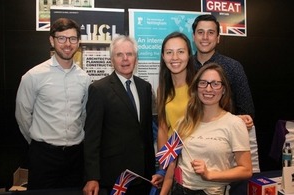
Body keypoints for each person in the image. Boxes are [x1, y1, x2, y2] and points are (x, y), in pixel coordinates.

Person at [15, 18, 91, 190]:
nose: (67, 44)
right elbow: (23, 115)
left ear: (78, 42)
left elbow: (84, 114)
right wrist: (38, 142)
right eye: (61, 38)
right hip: (44, 157)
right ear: (52, 40)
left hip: (75, 156)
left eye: (72, 39)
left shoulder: (84, 79)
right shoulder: (33, 76)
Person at [160, 62, 252, 195]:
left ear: (224, 89)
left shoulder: (235, 124)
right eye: (203, 83)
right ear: (196, 88)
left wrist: (210, 175)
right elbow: (172, 164)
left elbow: (246, 170)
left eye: (215, 84)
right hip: (179, 190)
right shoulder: (184, 122)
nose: (208, 89)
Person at [83, 35, 156, 195]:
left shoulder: (145, 87)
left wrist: (152, 171)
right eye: (119, 55)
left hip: (143, 177)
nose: (125, 59)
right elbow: (92, 138)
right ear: (112, 59)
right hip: (114, 178)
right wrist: (92, 177)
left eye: (129, 54)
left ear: (136, 58)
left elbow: (147, 134)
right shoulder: (99, 89)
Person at [192, 14, 254, 128]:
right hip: (190, 133)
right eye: (200, 32)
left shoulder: (233, 67)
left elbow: (246, 111)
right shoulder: (185, 66)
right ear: (193, 36)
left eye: (210, 33)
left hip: (224, 137)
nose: (205, 37)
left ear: (218, 38)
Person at [156, 31, 196, 152]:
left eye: (181, 52)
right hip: (172, 155)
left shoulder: (199, 86)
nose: (175, 57)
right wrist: (163, 167)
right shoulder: (162, 89)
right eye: (169, 52)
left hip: (195, 155)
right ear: (163, 56)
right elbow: (163, 129)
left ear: (189, 54)